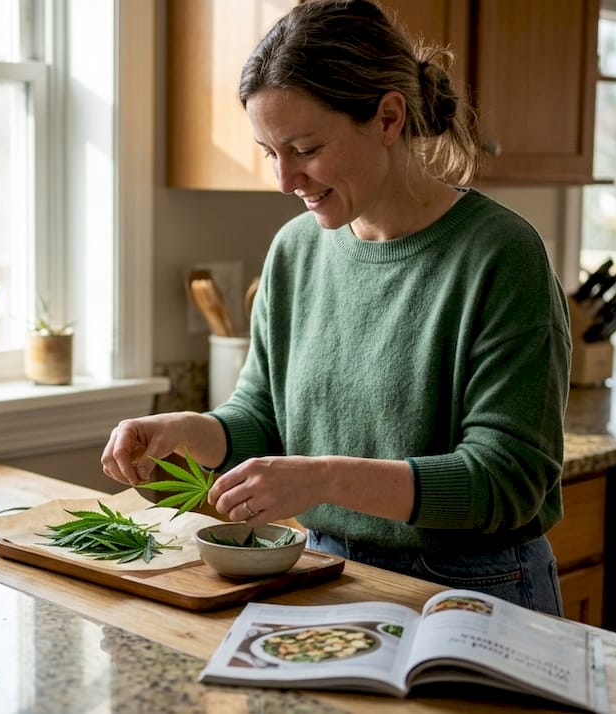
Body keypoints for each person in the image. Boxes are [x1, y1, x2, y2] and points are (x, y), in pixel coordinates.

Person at [101, 0, 571, 615]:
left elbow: (507, 481)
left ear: (388, 117)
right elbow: (265, 417)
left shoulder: (500, 255)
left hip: (476, 592)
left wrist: (323, 479)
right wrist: (193, 432)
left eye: (304, 147)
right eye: (270, 152)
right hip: (326, 571)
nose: (283, 178)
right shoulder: (296, 250)